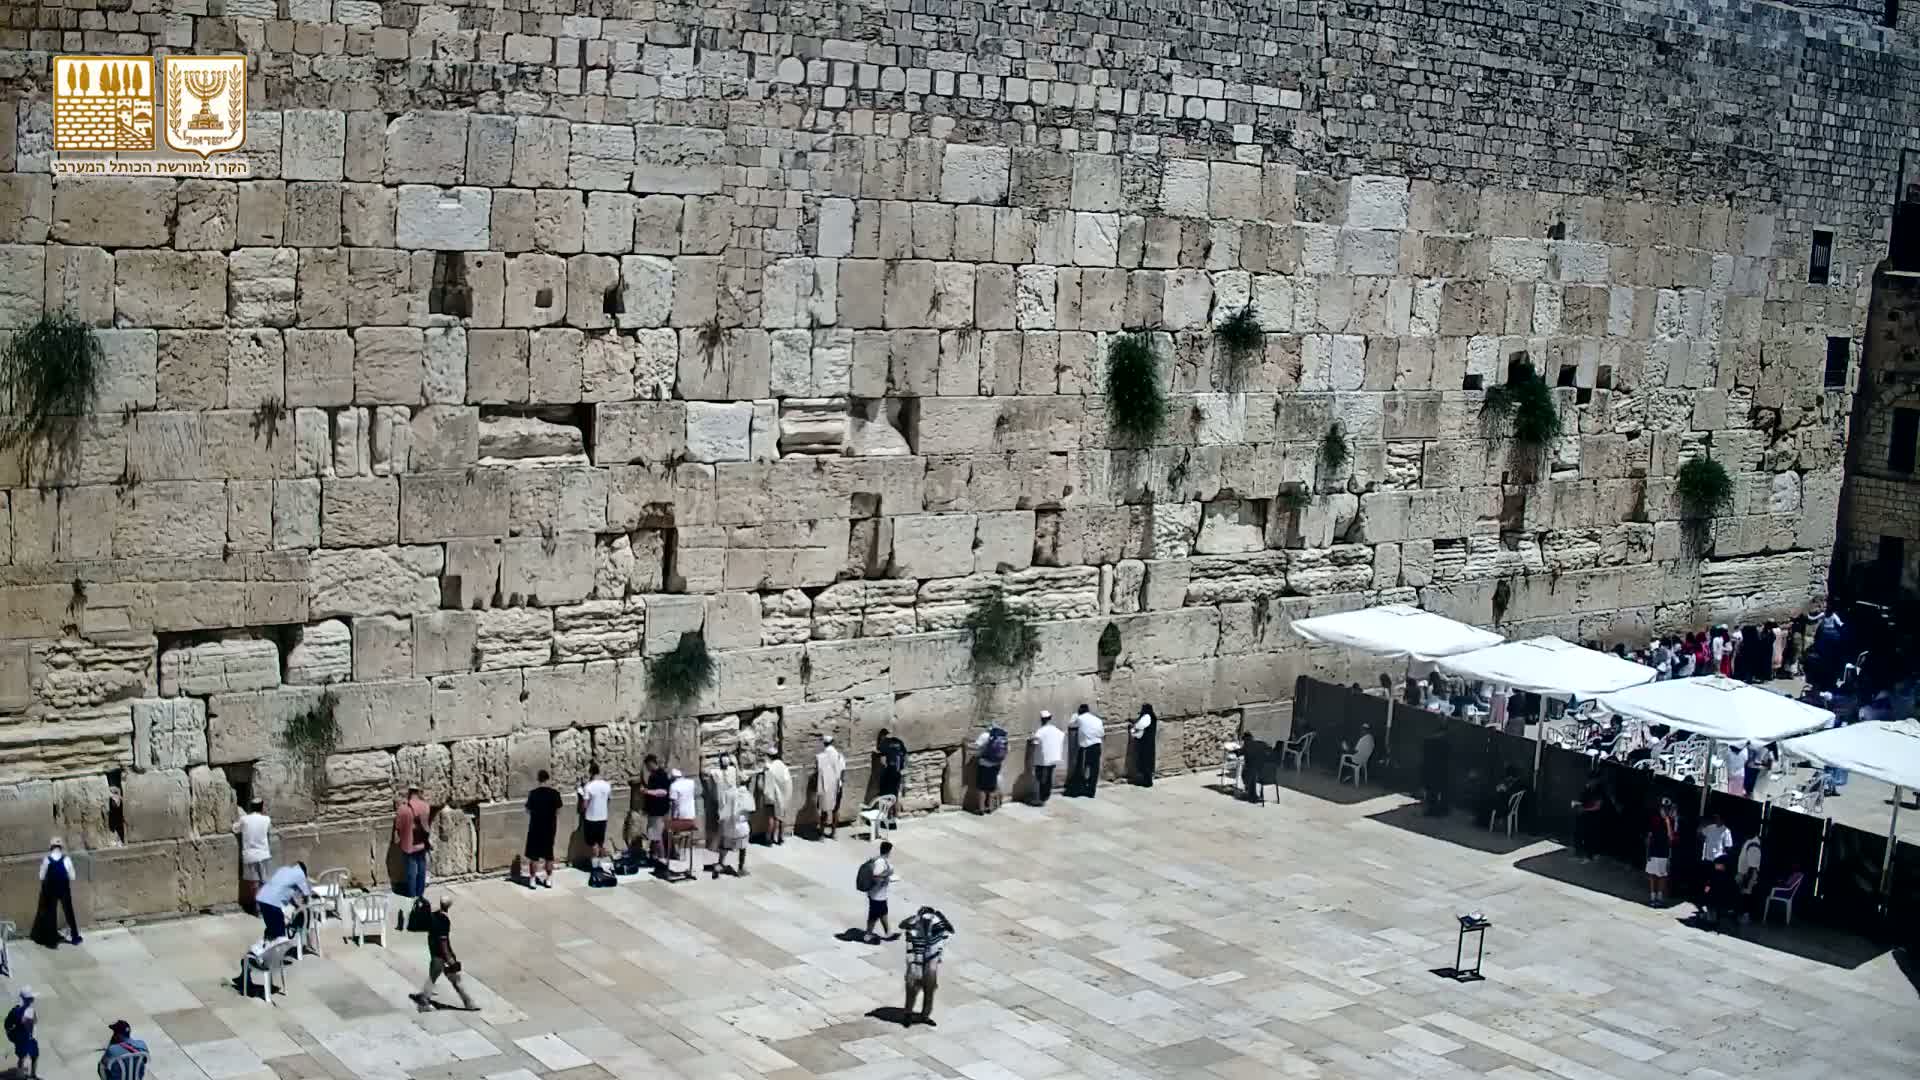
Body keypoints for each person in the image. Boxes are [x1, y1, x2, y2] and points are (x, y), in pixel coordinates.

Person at [410, 895, 478, 1012]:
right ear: (449, 906)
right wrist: (450, 959)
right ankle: (423, 1003)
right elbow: (443, 942)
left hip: (436, 953)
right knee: (437, 979)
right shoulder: (444, 920)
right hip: (441, 956)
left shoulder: (434, 915)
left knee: (452, 979)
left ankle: (469, 1003)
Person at [900, 906, 955, 1026]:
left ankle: (925, 1015)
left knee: (929, 988)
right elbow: (911, 949)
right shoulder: (913, 928)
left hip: (931, 960)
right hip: (916, 959)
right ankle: (907, 1014)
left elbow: (948, 933)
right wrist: (914, 967)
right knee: (912, 988)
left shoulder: (938, 926)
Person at [703, 754, 750, 877]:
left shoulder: (727, 795)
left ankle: (720, 863)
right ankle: (741, 868)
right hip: (741, 825)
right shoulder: (746, 795)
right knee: (743, 847)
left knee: (725, 845)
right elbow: (750, 810)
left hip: (729, 822)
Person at [31, 839, 80, 947]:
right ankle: (75, 937)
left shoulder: (47, 859)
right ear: (61, 847)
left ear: (51, 847)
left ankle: (52, 940)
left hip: (51, 890)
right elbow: (73, 876)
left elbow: (41, 876)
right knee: (69, 913)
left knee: (51, 914)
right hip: (64, 889)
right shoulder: (66, 859)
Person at [522, 771, 562, 888]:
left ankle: (533, 879)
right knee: (549, 855)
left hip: (535, 828)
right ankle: (548, 879)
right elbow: (558, 810)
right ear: (548, 779)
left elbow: (528, 810)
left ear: (538, 779)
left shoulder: (533, 794)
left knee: (534, 856)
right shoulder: (555, 793)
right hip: (549, 828)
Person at [231, 800, 272, 912]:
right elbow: (268, 833)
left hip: (250, 856)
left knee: (254, 883)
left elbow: (235, 829)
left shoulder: (244, 819)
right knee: (264, 881)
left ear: (250, 807)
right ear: (262, 807)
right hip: (264, 854)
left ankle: (257, 908)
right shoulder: (267, 819)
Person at [255, 861, 311, 941]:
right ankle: (278, 947)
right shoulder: (300, 874)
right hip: (273, 903)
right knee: (279, 934)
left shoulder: (283, 869)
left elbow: (282, 889)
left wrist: (295, 905)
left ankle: (265, 944)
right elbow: (306, 893)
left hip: (262, 898)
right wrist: (305, 905)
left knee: (272, 927)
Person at [394, 786, 432, 898]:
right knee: (421, 870)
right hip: (421, 843)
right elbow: (426, 826)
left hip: (408, 845)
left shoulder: (403, 809)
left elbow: (398, 829)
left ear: (409, 793)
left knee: (411, 872)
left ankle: (411, 895)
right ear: (419, 792)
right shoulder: (425, 806)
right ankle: (420, 894)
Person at [1697, 814, 1734, 927]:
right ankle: (1705, 905)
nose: (1717, 819)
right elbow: (1700, 834)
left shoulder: (1726, 831)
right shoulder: (1710, 828)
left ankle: (1713, 912)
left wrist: (1723, 860)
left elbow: (1728, 847)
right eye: (1716, 817)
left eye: (1719, 817)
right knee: (1706, 884)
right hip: (1707, 860)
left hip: (1717, 862)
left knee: (1714, 885)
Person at [577, 763, 613, 870]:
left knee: (592, 843)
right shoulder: (607, 785)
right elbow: (609, 800)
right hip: (603, 817)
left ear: (590, 773)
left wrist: (582, 810)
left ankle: (595, 865)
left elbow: (585, 804)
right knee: (600, 841)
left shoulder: (589, 786)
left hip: (591, 818)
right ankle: (602, 864)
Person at [1645, 798, 1678, 906]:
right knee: (1652, 875)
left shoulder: (1671, 821)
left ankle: (1659, 898)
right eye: (1663, 808)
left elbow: (1671, 837)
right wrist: (1647, 852)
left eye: (1667, 808)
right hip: (1653, 850)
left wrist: (1667, 821)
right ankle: (1652, 897)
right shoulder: (1653, 819)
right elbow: (1649, 837)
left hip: (1664, 852)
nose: (1665, 810)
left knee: (1662, 875)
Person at [667, 768, 700, 872]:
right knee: (685, 833)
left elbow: (673, 803)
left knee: (675, 833)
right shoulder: (691, 782)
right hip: (691, 814)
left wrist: (672, 818)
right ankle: (682, 851)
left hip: (680, 814)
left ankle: (677, 852)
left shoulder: (673, 786)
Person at [1067, 704, 1105, 797]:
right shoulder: (1097, 720)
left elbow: (1071, 724)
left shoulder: (1080, 718)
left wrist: (1075, 716)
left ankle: (1080, 788)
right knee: (1094, 770)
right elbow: (1102, 733)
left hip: (1086, 747)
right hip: (1097, 745)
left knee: (1082, 768)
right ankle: (1091, 791)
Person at [640, 755, 673, 861]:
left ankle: (662, 859)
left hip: (658, 811)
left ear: (652, 763)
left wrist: (647, 791)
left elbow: (663, 792)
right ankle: (654, 857)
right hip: (654, 811)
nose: (647, 768)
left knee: (657, 837)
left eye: (647, 765)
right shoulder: (653, 775)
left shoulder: (660, 775)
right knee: (653, 836)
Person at [863, 840, 895, 944]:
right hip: (877, 896)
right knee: (874, 915)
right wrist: (888, 873)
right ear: (888, 851)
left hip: (880, 894)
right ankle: (868, 935)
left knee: (883, 913)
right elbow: (876, 876)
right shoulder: (880, 862)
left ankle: (888, 933)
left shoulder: (880, 860)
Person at [759, 749, 793, 845]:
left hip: (773, 795)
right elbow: (788, 782)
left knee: (771, 817)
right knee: (781, 817)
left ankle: (769, 840)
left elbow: (766, 784)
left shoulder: (769, 767)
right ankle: (780, 838)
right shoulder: (784, 767)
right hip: (783, 796)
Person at [972, 722, 1009, 813]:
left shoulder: (985, 736)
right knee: (992, 787)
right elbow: (1008, 750)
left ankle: (981, 809)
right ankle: (990, 807)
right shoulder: (1002, 737)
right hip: (996, 764)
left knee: (982, 787)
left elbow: (975, 746)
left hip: (984, 764)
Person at [1030, 710, 1065, 804]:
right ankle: (1046, 796)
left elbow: (1035, 743)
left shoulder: (1040, 731)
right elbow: (1062, 736)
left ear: (1041, 720)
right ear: (1050, 718)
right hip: (1054, 758)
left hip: (1043, 759)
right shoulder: (1056, 730)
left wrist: (1032, 738)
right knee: (1048, 777)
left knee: (1041, 778)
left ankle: (1041, 798)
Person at [816, 735, 847, 838]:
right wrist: (840, 783)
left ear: (824, 743)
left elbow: (818, 772)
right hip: (837, 786)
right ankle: (833, 833)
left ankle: (821, 834)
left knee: (824, 810)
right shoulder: (839, 756)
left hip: (825, 786)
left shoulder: (820, 757)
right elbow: (843, 772)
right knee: (835, 810)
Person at [1570, 771, 1605, 862]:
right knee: (1578, 834)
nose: (1591, 783)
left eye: (1593, 781)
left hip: (1593, 818)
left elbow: (1598, 806)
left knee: (1591, 836)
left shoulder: (1599, 791)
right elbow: (1578, 801)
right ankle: (1580, 853)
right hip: (1583, 817)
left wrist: (1584, 809)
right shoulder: (1586, 789)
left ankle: (1590, 855)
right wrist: (1577, 805)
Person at [6, 988, 37, 1079]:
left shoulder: (29, 1009)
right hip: (22, 1039)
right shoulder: (17, 1011)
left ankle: (33, 1075)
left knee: (34, 1055)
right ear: (27, 999)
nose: (33, 999)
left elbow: (34, 1022)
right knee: (22, 1057)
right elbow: (8, 1024)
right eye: (31, 998)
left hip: (29, 1037)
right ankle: (20, 1076)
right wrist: (14, 1036)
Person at [1735, 832, 1764, 923]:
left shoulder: (1753, 845)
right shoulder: (1751, 843)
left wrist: (1747, 882)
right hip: (1746, 874)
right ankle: (1742, 914)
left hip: (1748, 875)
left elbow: (1753, 867)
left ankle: (1745, 916)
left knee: (1747, 895)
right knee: (1744, 895)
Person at [874, 729, 908, 799]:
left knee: (885, 790)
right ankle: (895, 806)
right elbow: (905, 754)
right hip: (898, 770)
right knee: (895, 792)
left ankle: (886, 805)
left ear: (882, 736)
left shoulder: (884, 743)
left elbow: (881, 758)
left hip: (891, 769)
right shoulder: (898, 742)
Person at [1130, 704, 1157, 787]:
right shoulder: (1153, 717)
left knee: (1145, 761)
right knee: (1148, 761)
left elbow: (1140, 726)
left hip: (1145, 743)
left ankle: (1147, 781)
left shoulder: (1147, 717)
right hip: (1149, 743)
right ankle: (1147, 780)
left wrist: (1133, 728)